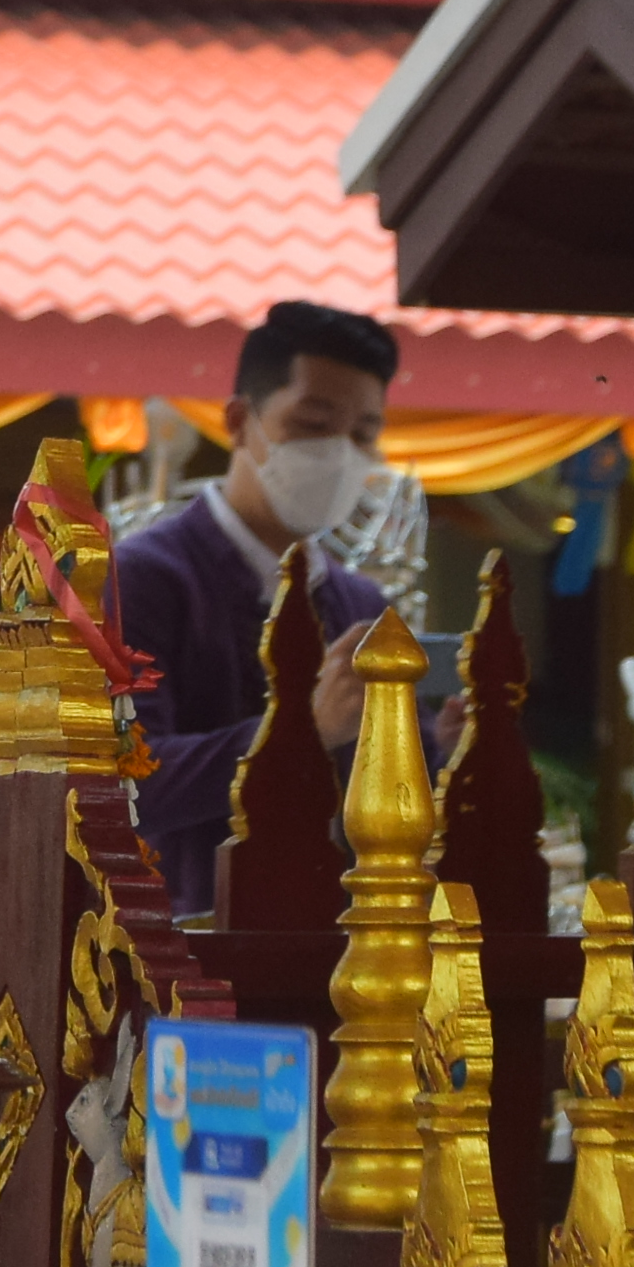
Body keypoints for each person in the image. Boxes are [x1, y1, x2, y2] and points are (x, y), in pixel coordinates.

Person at [114, 299, 399, 913]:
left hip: (335, 946)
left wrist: (446, 748)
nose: (341, 454)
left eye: (363, 435)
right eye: (315, 423)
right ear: (241, 421)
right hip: (181, 947)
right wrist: (297, 731)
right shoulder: (144, 578)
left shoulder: (359, 603)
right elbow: (130, 780)